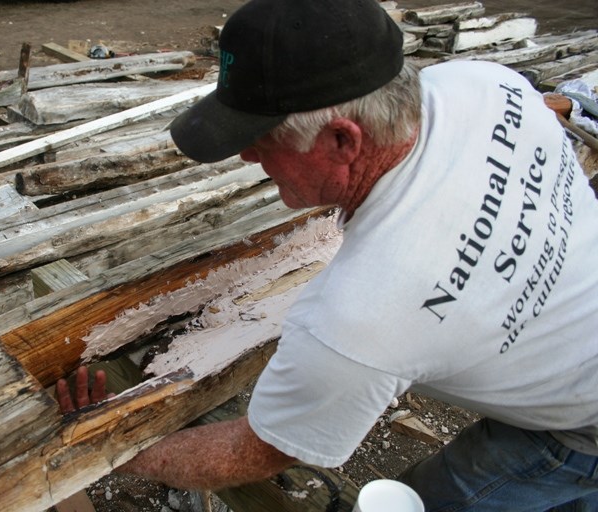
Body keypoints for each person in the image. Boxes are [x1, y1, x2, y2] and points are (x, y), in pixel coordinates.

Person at [58, 0, 598, 508]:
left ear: (343, 140)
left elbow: (258, 450)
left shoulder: (367, 315)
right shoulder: (487, 84)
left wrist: (113, 453)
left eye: (262, 139)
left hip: (581, 423)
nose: (247, 154)